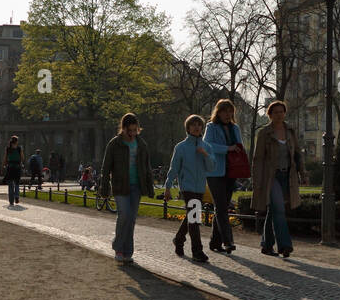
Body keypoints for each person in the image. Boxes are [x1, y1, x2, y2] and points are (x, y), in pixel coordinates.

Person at [99, 113, 154, 264]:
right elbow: (106, 167)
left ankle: (128, 251)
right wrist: (104, 188)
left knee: (131, 219)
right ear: (123, 129)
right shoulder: (114, 144)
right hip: (120, 185)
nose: (132, 134)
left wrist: (150, 186)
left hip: (136, 185)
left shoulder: (141, 144)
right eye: (129, 130)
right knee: (124, 215)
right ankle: (118, 248)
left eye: (135, 130)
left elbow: (146, 166)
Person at [252, 101, 305, 258]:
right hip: (271, 177)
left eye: (281, 111)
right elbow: (258, 159)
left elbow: (297, 154)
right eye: (275, 112)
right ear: (270, 114)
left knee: (273, 210)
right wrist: (257, 181)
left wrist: (303, 173)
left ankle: (266, 245)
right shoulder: (264, 133)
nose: (279, 114)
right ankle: (285, 245)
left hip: (287, 176)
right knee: (280, 210)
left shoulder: (290, 131)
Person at [164, 115, 216, 262]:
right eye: (193, 125)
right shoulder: (181, 147)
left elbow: (212, 167)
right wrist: (168, 187)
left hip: (200, 187)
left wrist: (205, 154)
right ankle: (197, 251)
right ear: (188, 128)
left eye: (199, 125)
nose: (196, 127)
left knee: (192, 215)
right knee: (194, 218)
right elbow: (173, 169)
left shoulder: (207, 147)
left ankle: (179, 239)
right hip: (187, 187)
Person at [202, 99, 244, 254]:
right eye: (224, 111)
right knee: (220, 207)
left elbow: (239, 146)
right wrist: (228, 148)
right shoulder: (211, 127)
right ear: (218, 112)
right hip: (215, 172)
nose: (228, 114)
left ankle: (215, 242)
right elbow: (208, 145)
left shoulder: (235, 128)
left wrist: (239, 151)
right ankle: (228, 241)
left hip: (231, 171)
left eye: (230, 111)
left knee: (222, 207)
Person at [3, 136, 24, 207]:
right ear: (17, 141)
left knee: (10, 184)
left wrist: (4, 165)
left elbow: (5, 158)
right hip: (17, 167)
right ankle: (17, 196)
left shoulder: (8, 148)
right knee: (17, 183)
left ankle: (11, 201)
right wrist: (20, 162)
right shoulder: (19, 148)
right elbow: (22, 157)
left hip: (10, 167)